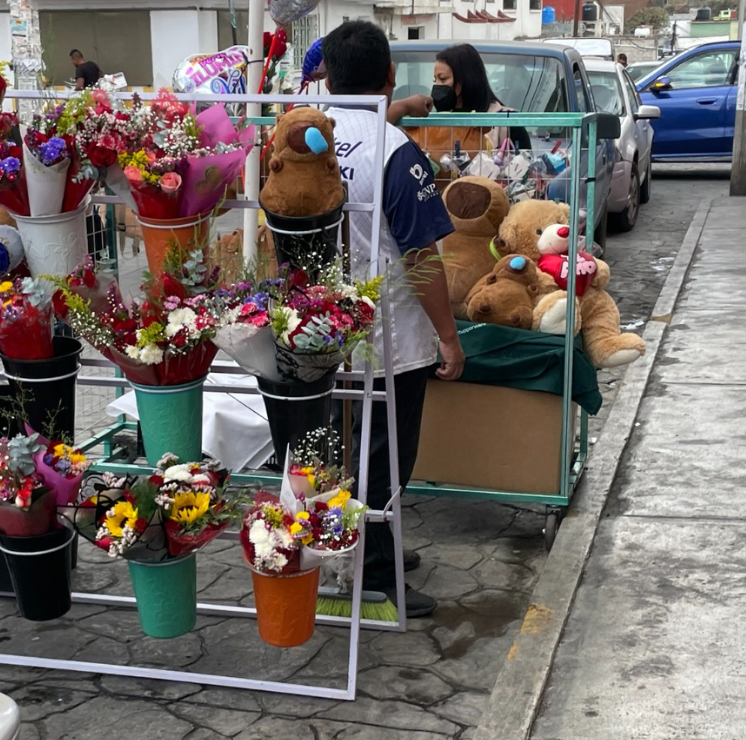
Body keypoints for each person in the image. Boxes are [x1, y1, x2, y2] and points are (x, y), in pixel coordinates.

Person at [322, 20, 465, 618]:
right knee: (385, 451)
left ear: (326, 75)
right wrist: (449, 337)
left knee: (338, 445)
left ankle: (369, 543)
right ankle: (375, 574)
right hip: (389, 331)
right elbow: (421, 259)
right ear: (386, 75)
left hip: (318, 328)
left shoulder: (303, 131)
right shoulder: (396, 153)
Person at [432, 44, 532, 151]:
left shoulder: (507, 123)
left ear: (464, 79)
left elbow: (525, 164)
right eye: (435, 80)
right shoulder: (437, 120)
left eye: (442, 79)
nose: (437, 85)